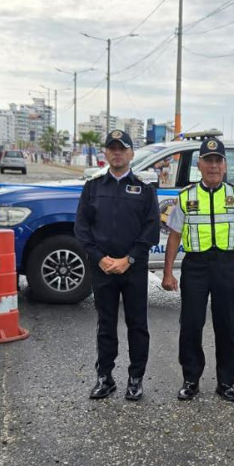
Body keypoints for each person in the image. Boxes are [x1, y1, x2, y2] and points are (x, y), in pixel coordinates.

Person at [161, 138, 234, 402]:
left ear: (225, 166)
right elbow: (174, 235)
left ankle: (227, 382)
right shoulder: (186, 197)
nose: (213, 166)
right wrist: (167, 272)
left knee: (227, 325)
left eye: (218, 161)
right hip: (195, 266)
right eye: (208, 160)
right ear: (200, 165)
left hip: (226, 265)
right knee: (191, 325)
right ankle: (190, 379)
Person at [74, 130, 160, 400]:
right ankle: (105, 377)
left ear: (131, 154)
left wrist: (128, 259)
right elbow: (82, 229)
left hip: (132, 269)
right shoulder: (93, 188)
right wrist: (100, 258)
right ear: (105, 153)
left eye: (122, 149)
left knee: (137, 324)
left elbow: (151, 231)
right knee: (106, 324)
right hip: (103, 268)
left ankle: (135, 379)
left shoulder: (145, 191)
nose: (117, 153)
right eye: (112, 148)